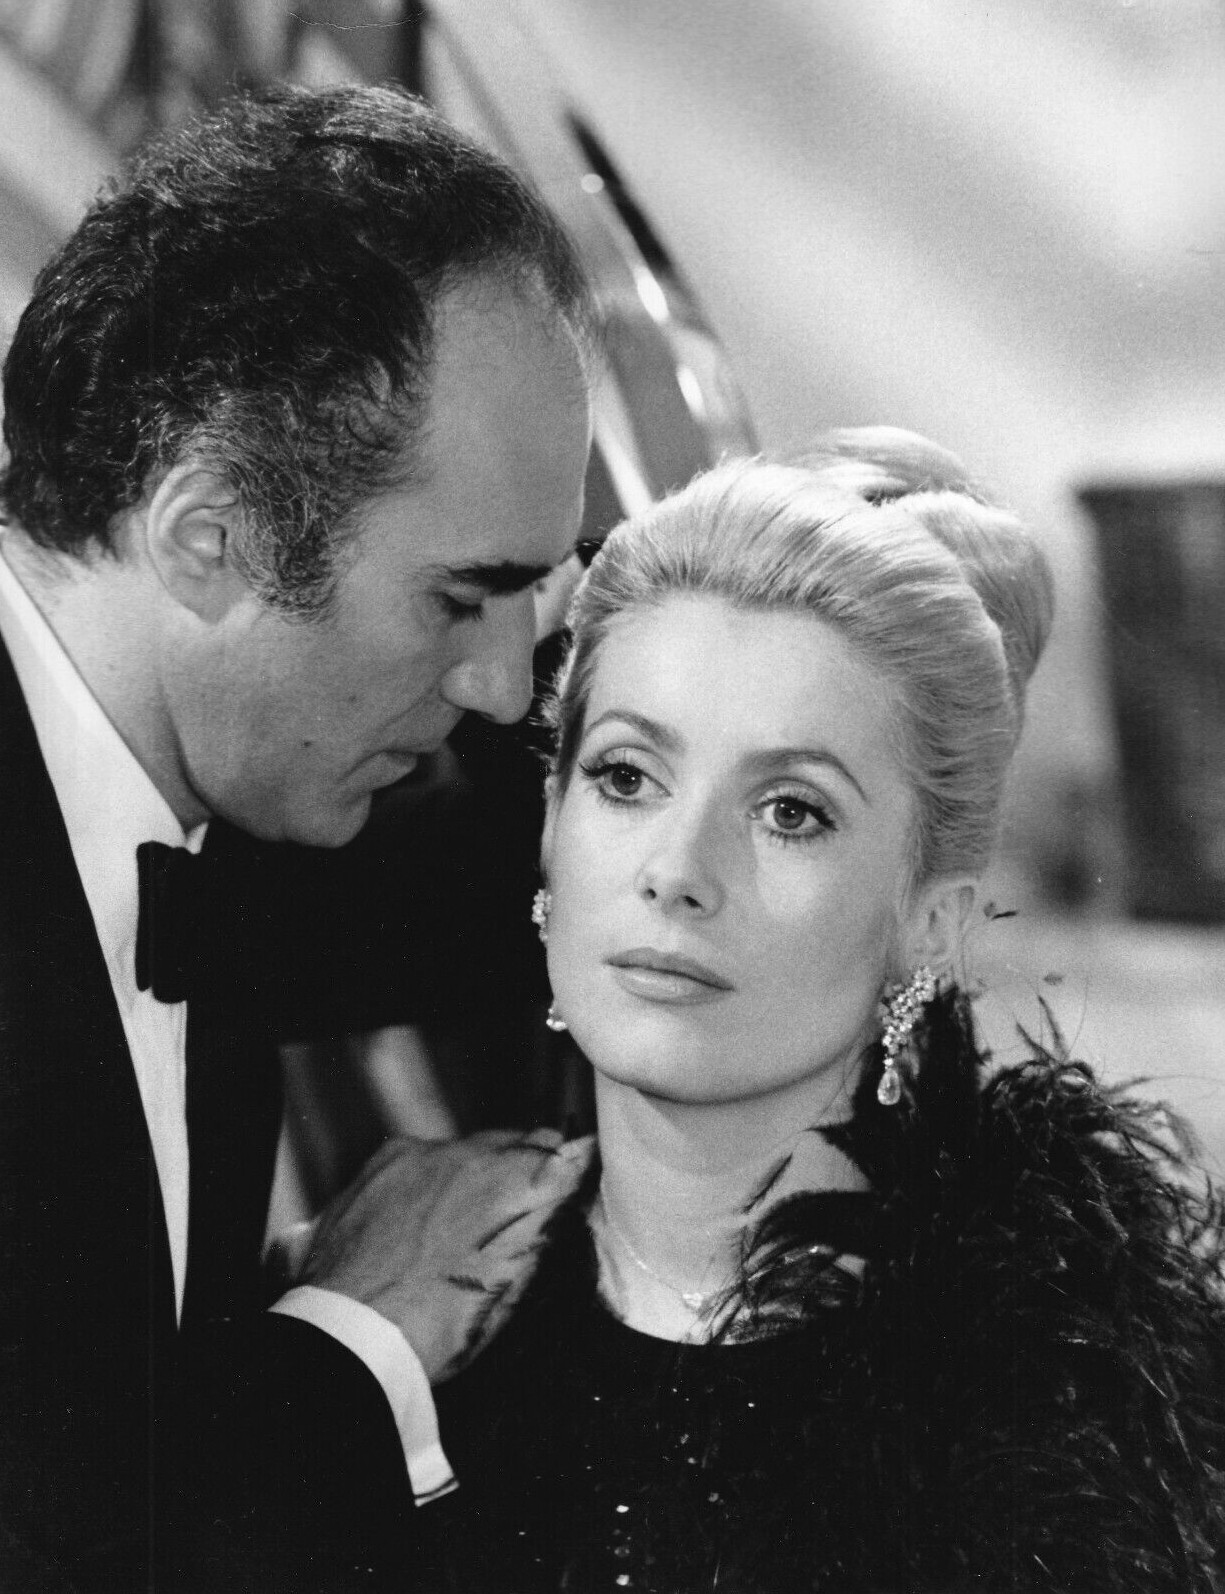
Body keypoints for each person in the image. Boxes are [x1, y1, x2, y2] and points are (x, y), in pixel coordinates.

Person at [423, 431, 1225, 1592]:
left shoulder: (1067, 1421)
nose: (676, 871)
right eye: (626, 777)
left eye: (790, 811)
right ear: (549, 827)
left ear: (931, 922)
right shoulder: (401, 1330)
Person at [0, 83, 596, 1591]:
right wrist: (351, 1338)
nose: (501, 685)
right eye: (462, 598)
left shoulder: (209, 784)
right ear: (210, 539)